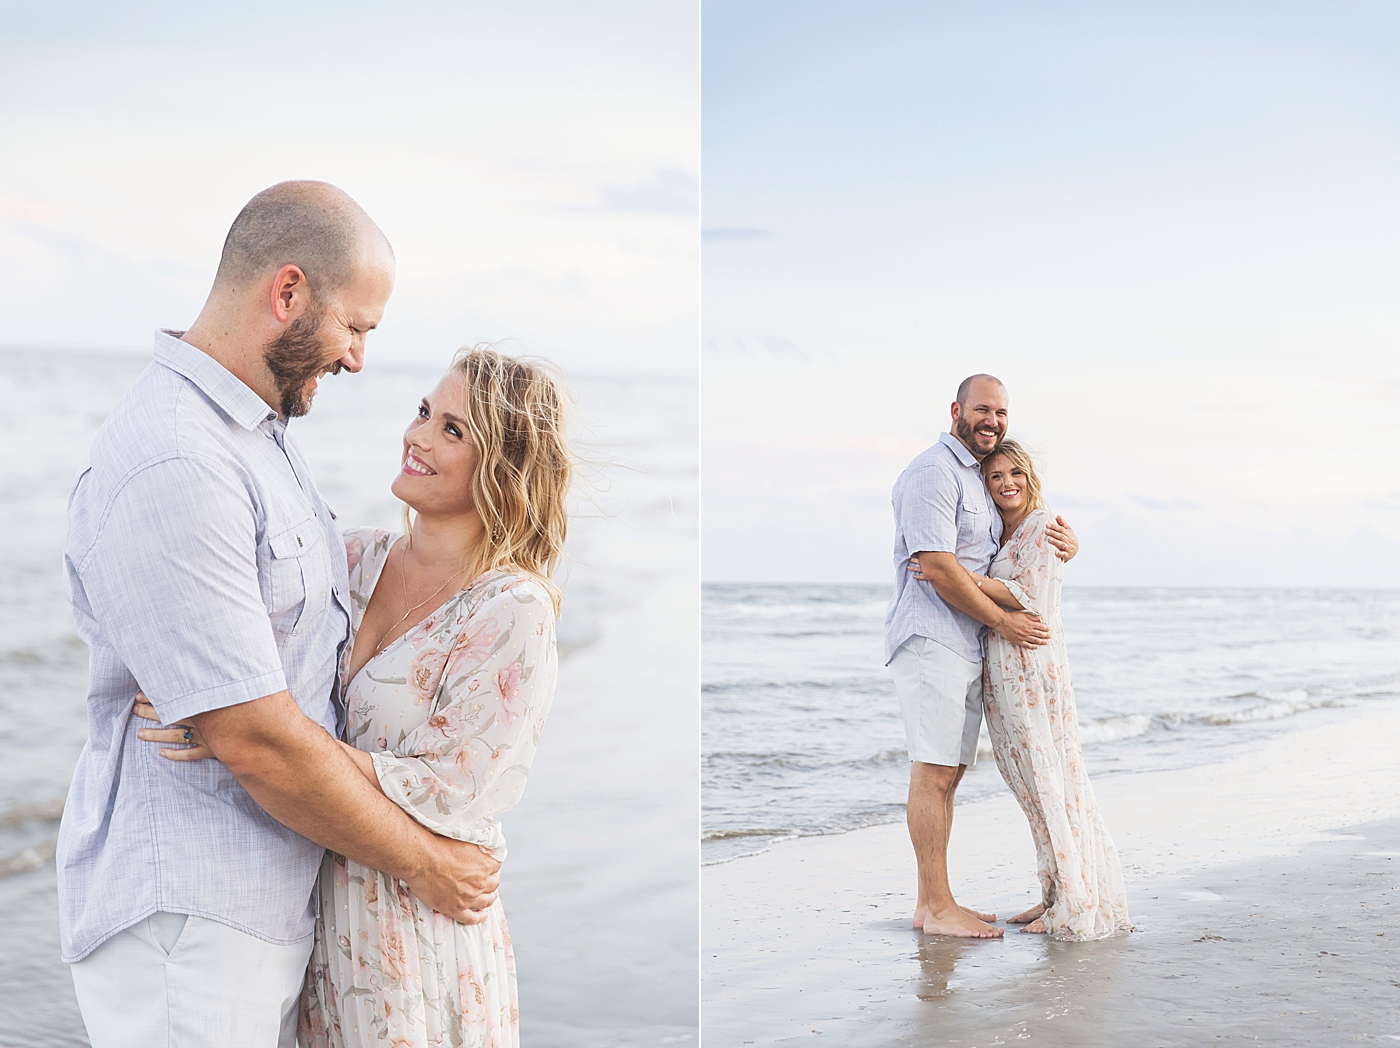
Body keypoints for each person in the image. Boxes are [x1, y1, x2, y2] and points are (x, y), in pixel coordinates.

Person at [58, 182, 500, 1048]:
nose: (359, 358)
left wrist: (239, 709)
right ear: (288, 294)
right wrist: (428, 864)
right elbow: (255, 734)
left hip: (258, 905)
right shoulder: (176, 461)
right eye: (356, 327)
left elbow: (276, 686)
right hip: (189, 922)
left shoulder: (254, 440)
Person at [136, 346, 571, 1045]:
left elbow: (449, 791)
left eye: (454, 430)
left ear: (505, 470)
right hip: (317, 903)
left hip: (421, 920)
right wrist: (219, 710)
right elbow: (253, 665)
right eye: (425, 412)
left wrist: (248, 735)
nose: (418, 436)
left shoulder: (512, 609)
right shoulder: (348, 557)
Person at [883, 373, 1077, 939]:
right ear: (956, 410)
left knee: (948, 774)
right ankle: (938, 907)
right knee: (934, 772)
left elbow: (1012, 556)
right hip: (933, 638)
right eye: (982, 410)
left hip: (965, 643)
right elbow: (939, 566)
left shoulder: (974, 478)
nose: (992, 421)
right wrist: (1004, 622)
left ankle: (932, 905)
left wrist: (1065, 543)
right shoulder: (933, 473)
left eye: (1001, 413)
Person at [963, 440, 1131, 940]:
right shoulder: (1004, 532)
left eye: (1014, 473)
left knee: (1050, 781)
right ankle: (1055, 891)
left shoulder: (1042, 525)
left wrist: (961, 577)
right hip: (1007, 666)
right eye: (994, 477)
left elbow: (1031, 598)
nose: (1005, 483)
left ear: (1029, 476)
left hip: (1031, 666)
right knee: (1032, 786)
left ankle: (1075, 900)